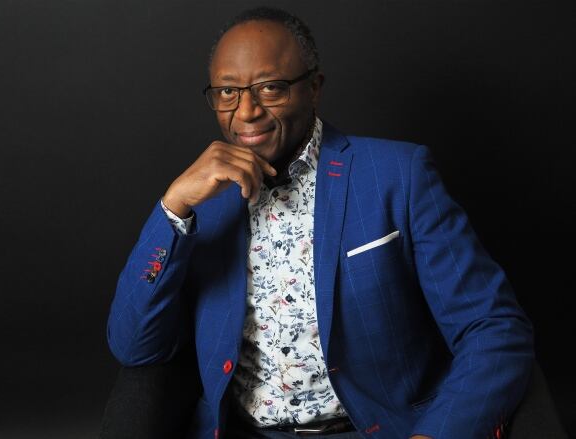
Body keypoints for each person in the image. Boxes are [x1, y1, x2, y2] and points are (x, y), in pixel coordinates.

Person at [105, 6, 534, 439]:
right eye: (227, 92)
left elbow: (495, 329)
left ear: (313, 88)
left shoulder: (398, 177)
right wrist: (174, 207)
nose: (246, 111)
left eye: (270, 88)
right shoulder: (203, 203)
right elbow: (135, 347)